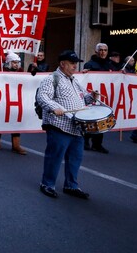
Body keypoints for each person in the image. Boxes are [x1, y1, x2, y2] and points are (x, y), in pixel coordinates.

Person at [36, 50, 96, 199]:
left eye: (76, 63)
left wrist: (91, 97)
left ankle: (71, 185)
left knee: (76, 158)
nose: (75, 66)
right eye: (72, 63)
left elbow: (83, 100)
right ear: (63, 64)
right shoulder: (52, 79)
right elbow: (42, 97)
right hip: (59, 125)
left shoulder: (74, 80)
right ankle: (47, 184)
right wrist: (54, 107)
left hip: (76, 126)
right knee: (55, 156)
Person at [82, 42, 116, 154]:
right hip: (92, 97)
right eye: (100, 50)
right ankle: (85, 140)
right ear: (96, 52)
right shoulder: (89, 64)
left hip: (104, 97)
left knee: (102, 120)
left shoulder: (110, 65)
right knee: (90, 119)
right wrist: (85, 73)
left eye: (105, 50)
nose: (103, 52)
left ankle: (97, 144)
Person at [0, 51, 27, 155]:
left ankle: (16, 145)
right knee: (1, 120)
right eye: (14, 62)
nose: (16, 64)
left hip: (16, 99)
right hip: (3, 99)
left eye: (17, 62)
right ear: (9, 63)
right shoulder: (2, 70)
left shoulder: (20, 71)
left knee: (16, 121)